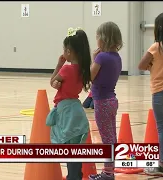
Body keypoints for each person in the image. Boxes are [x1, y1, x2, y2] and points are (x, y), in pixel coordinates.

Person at [47, 27, 92, 180]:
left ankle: (72, 177)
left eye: (65, 49)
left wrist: (58, 65)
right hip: (76, 109)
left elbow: (53, 82)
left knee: (67, 147)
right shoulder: (84, 69)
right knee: (76, 148)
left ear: (69, 51)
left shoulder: (66, 69)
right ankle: (75, 176)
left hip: (66, 111)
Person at [138, 12, 163, 177]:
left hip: (160, 91)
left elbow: (141, 65)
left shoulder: (156, 47)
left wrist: (151, 66)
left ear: (159, 28)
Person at [89, 21, 123, 180]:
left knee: (107, 139)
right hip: (112, 100)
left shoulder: (101, 57)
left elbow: (90, 76)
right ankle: (111, 170)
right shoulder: (116, 57)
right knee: (111, 136)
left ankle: (108, 173)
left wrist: (93, 59)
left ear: (103, 38)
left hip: (102, 101)